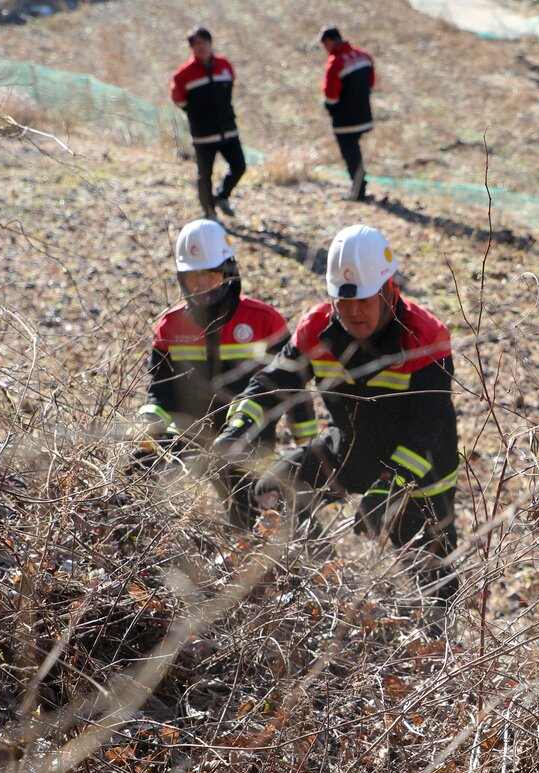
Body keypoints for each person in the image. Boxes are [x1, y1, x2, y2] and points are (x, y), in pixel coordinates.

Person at [214, 225, 459, 603]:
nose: (354, 311)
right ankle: (325, 583)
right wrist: (237, 428)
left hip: (420, 471)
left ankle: (439, 645)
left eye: (365, 300)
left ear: (390, 291)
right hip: (350, 449)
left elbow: (428, 427)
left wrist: (391, 486)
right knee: (274, 489)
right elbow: (273, 383)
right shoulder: (315, 329)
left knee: (432, 576)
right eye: (343, 302)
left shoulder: (424, 336)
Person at [132, 219, 319, 529]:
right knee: (158, 512)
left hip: (249, 441)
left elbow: (295, 393)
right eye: (193, 277)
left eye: (212, 274)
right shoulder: (170, 326)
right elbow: (160, 392)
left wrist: (308, 451)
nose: (202, 286)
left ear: (230, 273)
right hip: (190, 437)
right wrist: (148, 440)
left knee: (251, 522)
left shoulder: (265, 322)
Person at [170, 26, 245, 219]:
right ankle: (209, 212)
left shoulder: (224, 65)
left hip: (228, 129)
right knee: (205, 175)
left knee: (239, 166)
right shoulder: (183, 74)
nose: (202, 47)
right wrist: (198, 114)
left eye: (204, 43)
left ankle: (222, 196)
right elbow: (178, 99)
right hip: (203, 134)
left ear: (211, 44)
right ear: (191, 48)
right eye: (197, 44)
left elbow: (229, 89)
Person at [319, 27, 376, 202]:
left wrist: (331, 108)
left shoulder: (335, 63)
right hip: (364, 113)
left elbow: (331, 94)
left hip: (345, 118)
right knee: (355, 151)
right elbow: (371, 82)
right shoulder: (363, 56)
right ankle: (360, 186)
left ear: (328, 42)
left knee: (350, 153)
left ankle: (358, 190)